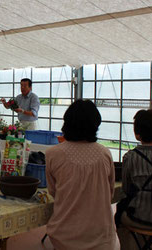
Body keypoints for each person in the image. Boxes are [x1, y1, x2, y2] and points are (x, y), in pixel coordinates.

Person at [45, 99, 116, 250]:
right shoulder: (105, 153)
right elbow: (109, 192)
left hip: (64, 234)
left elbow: (53, 191)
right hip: (101, 235)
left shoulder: (53, 153)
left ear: (67, 123)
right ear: (96, 124)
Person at [116, 109, 152, 250]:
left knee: (120, 215)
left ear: (137, 134)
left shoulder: (130, 157)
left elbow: (126, 190)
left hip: (138, 217)